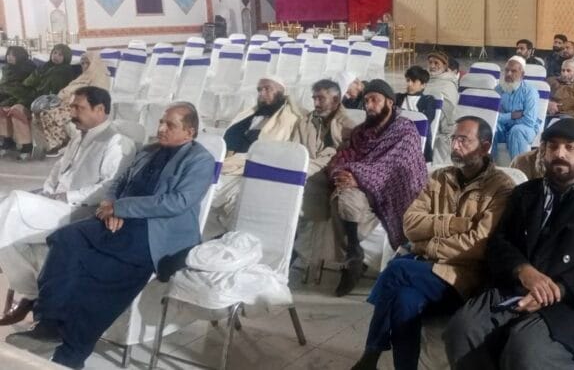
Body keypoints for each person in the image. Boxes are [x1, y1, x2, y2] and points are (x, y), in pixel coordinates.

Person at [6, 102, 215, 369]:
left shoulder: (200, 161)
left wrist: (122, 208)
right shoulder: (148, 150)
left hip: (157, 234)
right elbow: (119, 182)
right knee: (66, 240)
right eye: (161, 122)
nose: (161, 128)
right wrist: (110, 204)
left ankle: (72, 354)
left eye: (170, 125)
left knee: (102, 272)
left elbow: (177, 202)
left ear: (189, 132)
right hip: (118, 219)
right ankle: (48, 325)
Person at [443, 118, 574, 370]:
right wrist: (523, 270)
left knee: (526, 351)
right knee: (461, 330)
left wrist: (557, 290)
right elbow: (499, 244)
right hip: (517, 289)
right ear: (543, 151)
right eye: (552, 146)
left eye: (570, 147)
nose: (560, 153)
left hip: (572, 302)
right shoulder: (525, 193)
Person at [351, 116, 515, 370]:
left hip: (463, 278)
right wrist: (453, 224)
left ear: (484, 147)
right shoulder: (440, 177)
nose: (455, 146)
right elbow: (410, 224)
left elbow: (478, 245)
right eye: (454, 139)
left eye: (464, 140)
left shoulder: (501, 188)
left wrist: (426, 246)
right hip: (424, 271)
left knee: (397, 268)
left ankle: (371, 354)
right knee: (404, 300)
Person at [0, 87, 135, 326]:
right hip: (54, 204)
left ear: (100, 109)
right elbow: (57, 171)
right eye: (72, 106)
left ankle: (32, 296)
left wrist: (66, 197)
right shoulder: (78, 137)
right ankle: (30, 293)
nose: (72, 113)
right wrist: (48, 192)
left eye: (78, 107)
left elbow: (110, 186)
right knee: (6, 223)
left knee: (14, 200)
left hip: (79, 211)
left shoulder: (116, 141)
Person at [327, 79, 428, 297]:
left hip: (393, 189)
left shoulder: (405, 130)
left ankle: (353, 258)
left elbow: (397, 167)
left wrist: (358, 175)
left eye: (375, 100)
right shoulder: (360, 132)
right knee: (341, 197)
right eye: (366, 101)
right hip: (362, 185)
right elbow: (346, 155)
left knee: (346, 200)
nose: (369, 106)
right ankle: (354, 255)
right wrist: (342, 172)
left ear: (389, 102)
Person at [212, 76, 300, 229]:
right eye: (259, 90)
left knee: (238, 200)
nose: (262, 93)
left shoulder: (289, 119)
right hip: (230, 164)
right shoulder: (248, 114)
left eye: (267, 89)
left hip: (255, 168)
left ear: (281, 92)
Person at [295, 79, 358, 274]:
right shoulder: (305, 121)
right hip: (303, 170)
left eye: (321, 98)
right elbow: (295, 148)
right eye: (314, 98)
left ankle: (295, 251)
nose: (316, 103)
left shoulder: (348, 126)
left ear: (336, 100)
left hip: (327, 179)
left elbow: (347, 160)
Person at [34, 52, 110, 156]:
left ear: (94, 63)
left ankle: (59, 144)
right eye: (82, 63)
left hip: (82, 107)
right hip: (68, 104)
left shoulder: (99, 77)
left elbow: (95, 97)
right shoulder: (83, 76)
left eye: (87, 63)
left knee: (50, 114)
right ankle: (55, 143)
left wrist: (71, 101)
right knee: (41, 113)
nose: (84, 66)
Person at [493, 56, 540, 159]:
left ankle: (518, 167)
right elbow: (493, 117)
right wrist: (512, 115)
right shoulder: (498, 90)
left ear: (522, 74)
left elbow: (529, 121)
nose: (509, 74)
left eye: (513, 71)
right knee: (490, 127)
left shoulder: (530, 92)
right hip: (504, 128)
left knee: (516, 130)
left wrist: (505, 119)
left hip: (526, 130)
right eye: (507, 70)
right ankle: (490, 164)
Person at [0, 46, 38, 159]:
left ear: (20, 56)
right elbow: (3, 88)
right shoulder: (7, 69)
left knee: (16, 111)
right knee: (2, 110)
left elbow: (30, 89)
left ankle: (27, 145)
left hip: (26, 101)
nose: (9, 57)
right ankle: (7, 140)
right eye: (8, 54)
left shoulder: (29, 69)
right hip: (10, 99)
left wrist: (15, 99)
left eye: (13, 55)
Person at [396, 66, 439, 162]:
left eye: (414, 81)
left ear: (423, 85)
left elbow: (426, 121)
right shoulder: (398, 98)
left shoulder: (428, 100)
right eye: (408, 80)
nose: (409, 84)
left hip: (417, 140)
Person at [425, 51, 460, 165]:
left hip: (442, 129)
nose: (432, 66)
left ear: (445, 66)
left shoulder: (449, 83)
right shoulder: (426, 80)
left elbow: (449, 109)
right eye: (430, 62)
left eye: (436, 63)